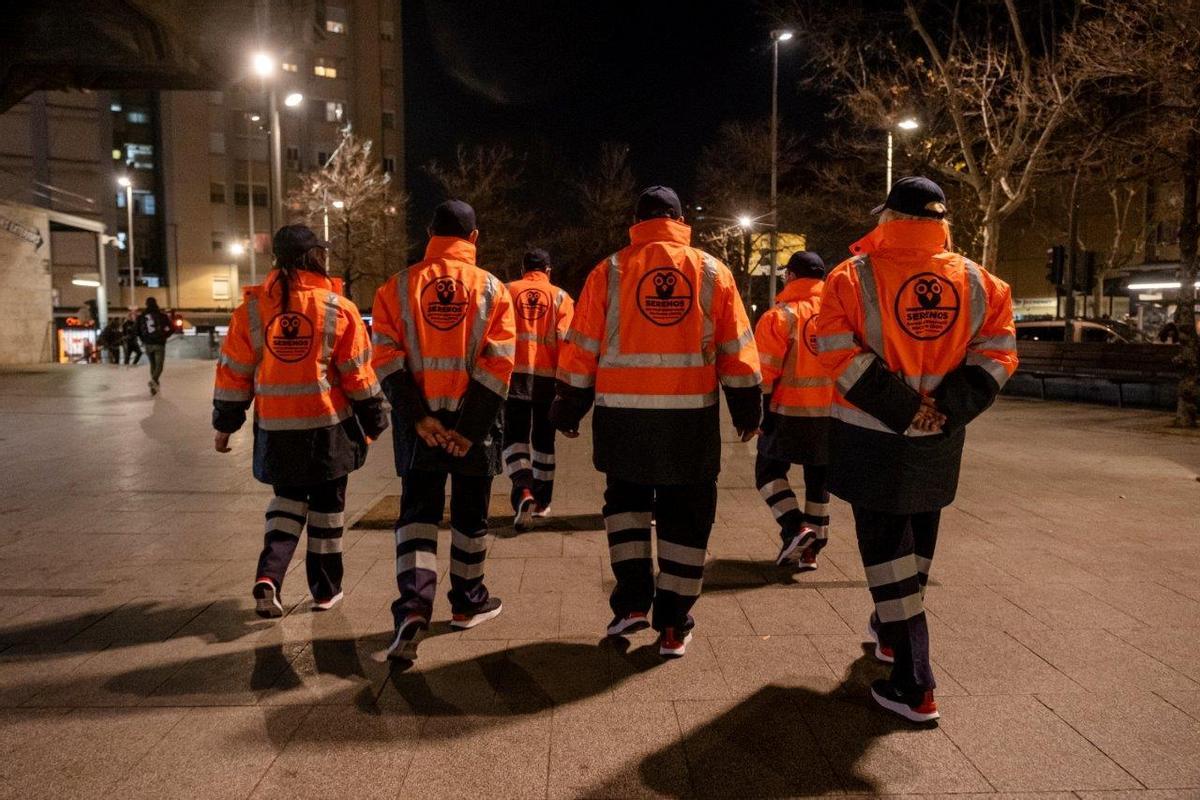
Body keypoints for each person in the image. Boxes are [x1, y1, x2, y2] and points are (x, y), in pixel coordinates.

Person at [815, 176, 1017, 723]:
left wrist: (905, 408)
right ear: (941, 221)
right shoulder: (980, 282)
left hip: (873, 434)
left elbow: (832, 347)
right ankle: (886, 632)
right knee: (920, 539)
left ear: (888, 218)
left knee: (886, 554)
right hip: (941, 437)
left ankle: (914, 680)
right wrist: (943, 408)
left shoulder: (849, 277)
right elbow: (998, 354)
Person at [551, 185, 761, 658]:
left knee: (625, 508)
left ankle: (630, 604)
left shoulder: (609, 271)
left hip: (623, 417)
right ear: (680, 220)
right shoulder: (712, 271)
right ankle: (672, 622)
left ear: (638, 221)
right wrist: (748, 410)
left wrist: (568, 407)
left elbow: (582, 345)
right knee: (686, 515)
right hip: (688, 418)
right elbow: (737, 351)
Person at [212, 224, 388, 618]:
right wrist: (376, 418)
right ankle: (326, 591)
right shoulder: (337, 309)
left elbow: (233, 373)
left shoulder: (251, 311)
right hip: (328, 430)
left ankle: (269, 577)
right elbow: (358, 374)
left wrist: (225, 424)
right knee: (327, 510)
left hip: (277, 432)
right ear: (315, 258)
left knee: (287, 502)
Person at [371, 200, 517, 661]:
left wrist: (418, 416)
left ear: (430, 233)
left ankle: (413, 608)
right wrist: (470, 429)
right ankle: (467, 603)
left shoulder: (395, 289)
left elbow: (386, 359)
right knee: (471, 517)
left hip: (422, 427)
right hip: (473, 429)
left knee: (417, 514)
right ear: (473, 238)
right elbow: (499, 367)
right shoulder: (493, 290)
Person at [753, 251, 834, 570]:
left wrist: (763, 415)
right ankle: (812, 550)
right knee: (820, 480)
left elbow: (764, 373)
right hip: (832, 414)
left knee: (768, 473)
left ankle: (795, 528)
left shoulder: (779, 316)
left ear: (790, 277)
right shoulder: (838, 316)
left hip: (788, 412)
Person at [503, 247, 574, 530]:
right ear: (548, 271)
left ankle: (523, 489)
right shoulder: (560, 297)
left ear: (523, 269)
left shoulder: (505, 291)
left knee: (514, 439)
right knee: (544, 443)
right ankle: (542, 502)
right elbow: (568, 342)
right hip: (548, 380)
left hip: (512, 378)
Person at [137, 297, 173, 394]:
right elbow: (171, 328)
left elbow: (136, 330)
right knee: (159, 366)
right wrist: (165, 335)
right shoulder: (162, 316)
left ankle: (154, 386)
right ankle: (154, 381)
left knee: (153, 365)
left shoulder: (142, 317)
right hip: (159, 344)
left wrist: (143, 339)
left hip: (148, 344)